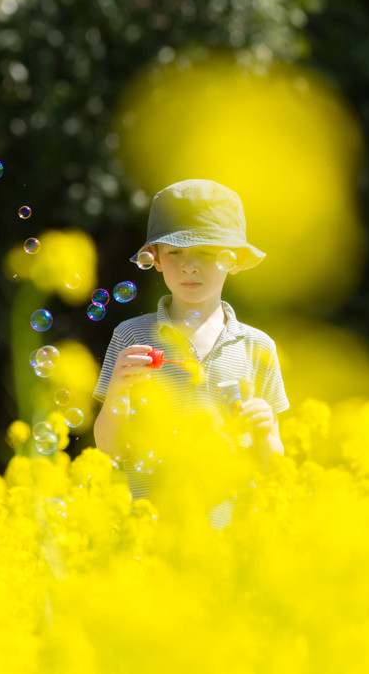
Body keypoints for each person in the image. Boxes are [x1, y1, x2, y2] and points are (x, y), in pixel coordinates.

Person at [93, 179, 289, 522]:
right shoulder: (131, 337)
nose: (189, 266)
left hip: (232, 534)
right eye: (175, 252)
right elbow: (109, 448)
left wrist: (264, 427)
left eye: (206, 252)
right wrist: (118, 391)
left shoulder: (258, 347)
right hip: (153, 530)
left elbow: (274, 461)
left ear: (235, 260)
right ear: (154, 259)